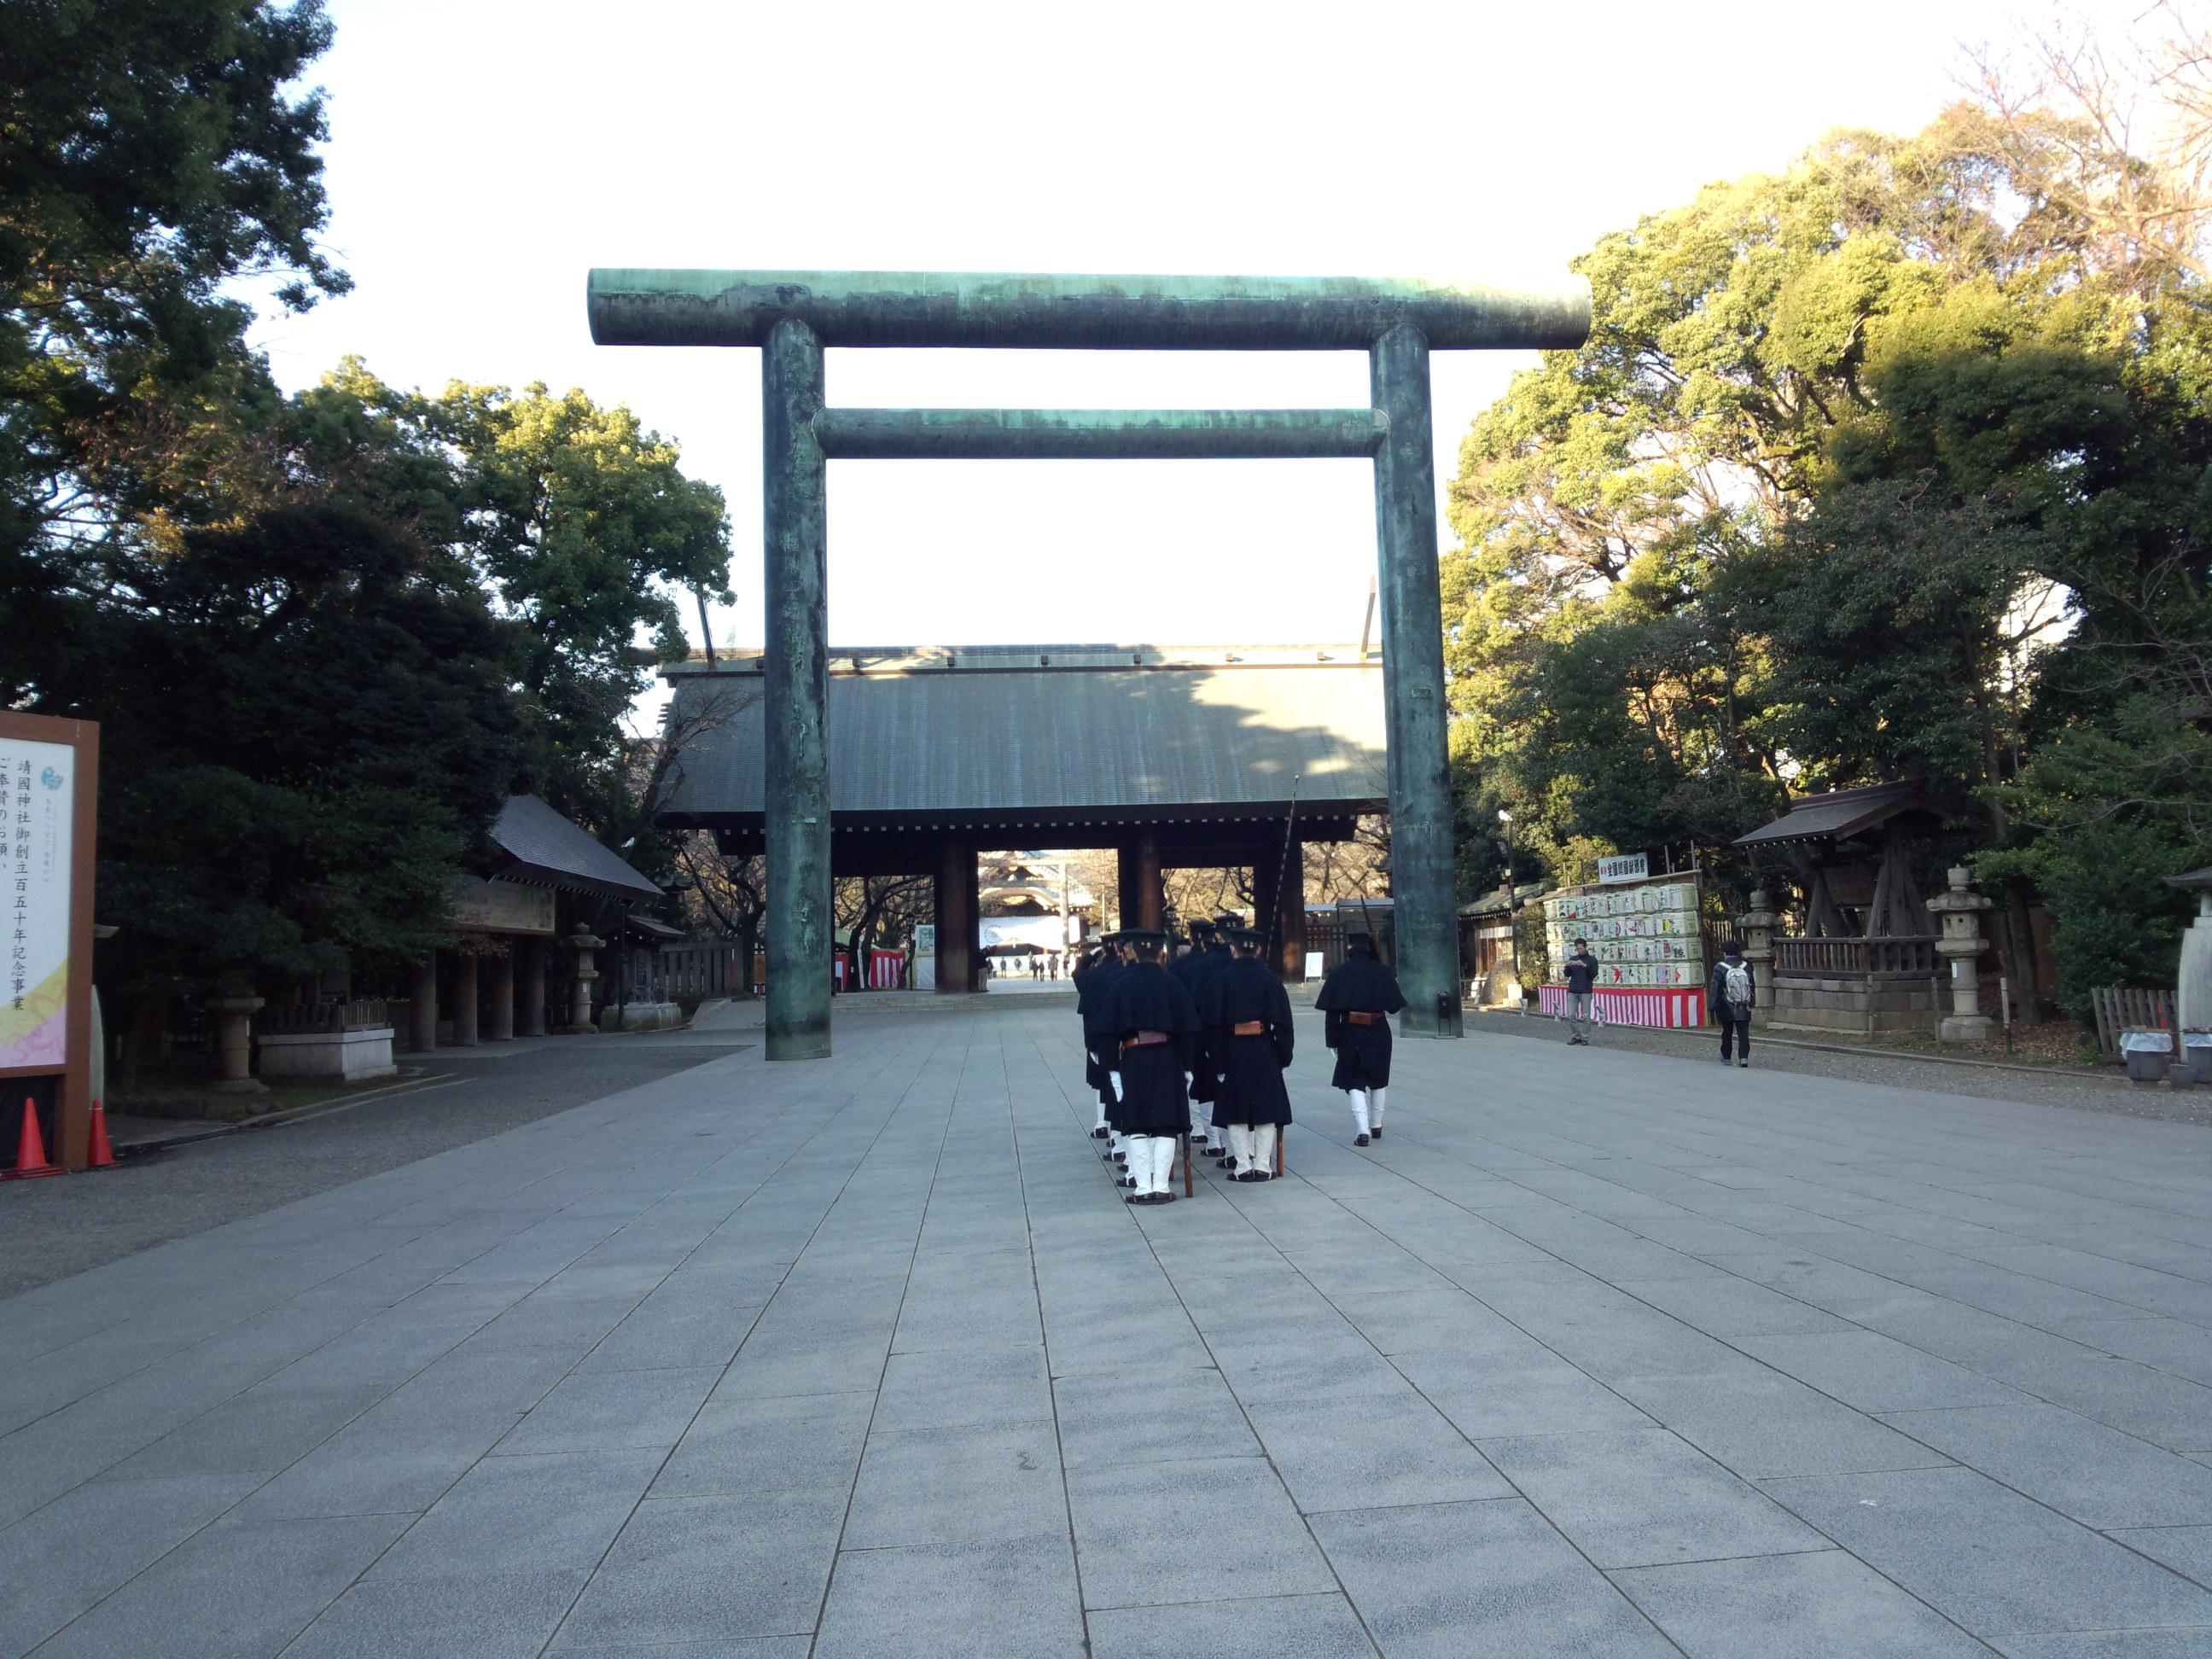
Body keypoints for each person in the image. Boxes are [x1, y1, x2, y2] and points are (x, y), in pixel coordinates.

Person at [1101, 930, 1201, 1204]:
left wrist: (1112, 1070)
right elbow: (1188, 1030)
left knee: (1137, 1123)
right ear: (1160, 953)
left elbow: (1107, 1034)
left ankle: (1143, 1186)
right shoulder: (1173, 984)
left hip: (1134, 1059)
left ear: (1131, 952)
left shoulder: (1121, 986)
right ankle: (1161, 1185)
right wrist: (1188, 1067)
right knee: (1166, 1123)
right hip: (1168, 1058)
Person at [1201, 928, 1295, 1181]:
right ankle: (1263, 1165)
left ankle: (1242, 1165)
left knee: (1236, 1108)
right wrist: (1283, 1057)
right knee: (1266, 1108)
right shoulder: (1271, 979)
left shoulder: (1219, 980)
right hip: (1264, 1046)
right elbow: (1284, 1024)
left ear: (1233, 949)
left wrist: (1217, 1062)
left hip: (1232, 1049)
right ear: (1259, 950)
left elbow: (1211, 1026)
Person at [1315, 930, 1405, 1145]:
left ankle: (1362, 1130)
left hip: (1350, 1030)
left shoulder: (1339, 973)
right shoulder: (1382, 971)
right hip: (1378, 1029)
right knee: (1379, 1078)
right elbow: (1393, 1008)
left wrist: (1332, 1041)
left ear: (1349, 949)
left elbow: (1332, 1012)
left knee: (1355, 1080)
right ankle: (1376, 1124)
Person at [1076, 937, 1130, 1179]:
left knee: (1111, 1092)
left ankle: (1118, 1144)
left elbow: (1078, 973)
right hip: (1134, 1043)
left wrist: (1092, 1047)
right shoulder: (1129, 974)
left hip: (1105, 1043)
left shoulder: (1096, 976)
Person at [1709, 940, 1755, 1067]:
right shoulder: (1747, 966)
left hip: (1727, 1004)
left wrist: (1712, 1005)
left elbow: (1715, 988)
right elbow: (1752, 986)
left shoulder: (1720, 967)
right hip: (1743, 1003)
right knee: (1743, 1032)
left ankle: (1726, 1056)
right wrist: (1752, 1002)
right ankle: (1743, 1057)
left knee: (1727, 1031)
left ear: (1725, 952)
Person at [1561, 936, 1601, 1045]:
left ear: (1586, 947)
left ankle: (1585, 1037)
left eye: (1581, 948)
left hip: (1586, 991)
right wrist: (1568, 966)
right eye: (1578, 949)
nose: (1580, 951)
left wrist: (1584, 966)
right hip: (1573, 990)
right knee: (1570, 1015)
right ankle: (1576, 1035)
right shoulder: (1573, 959)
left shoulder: (1592, 960)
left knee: (1586, 1016)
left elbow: (1593, 974)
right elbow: (1567, 974)